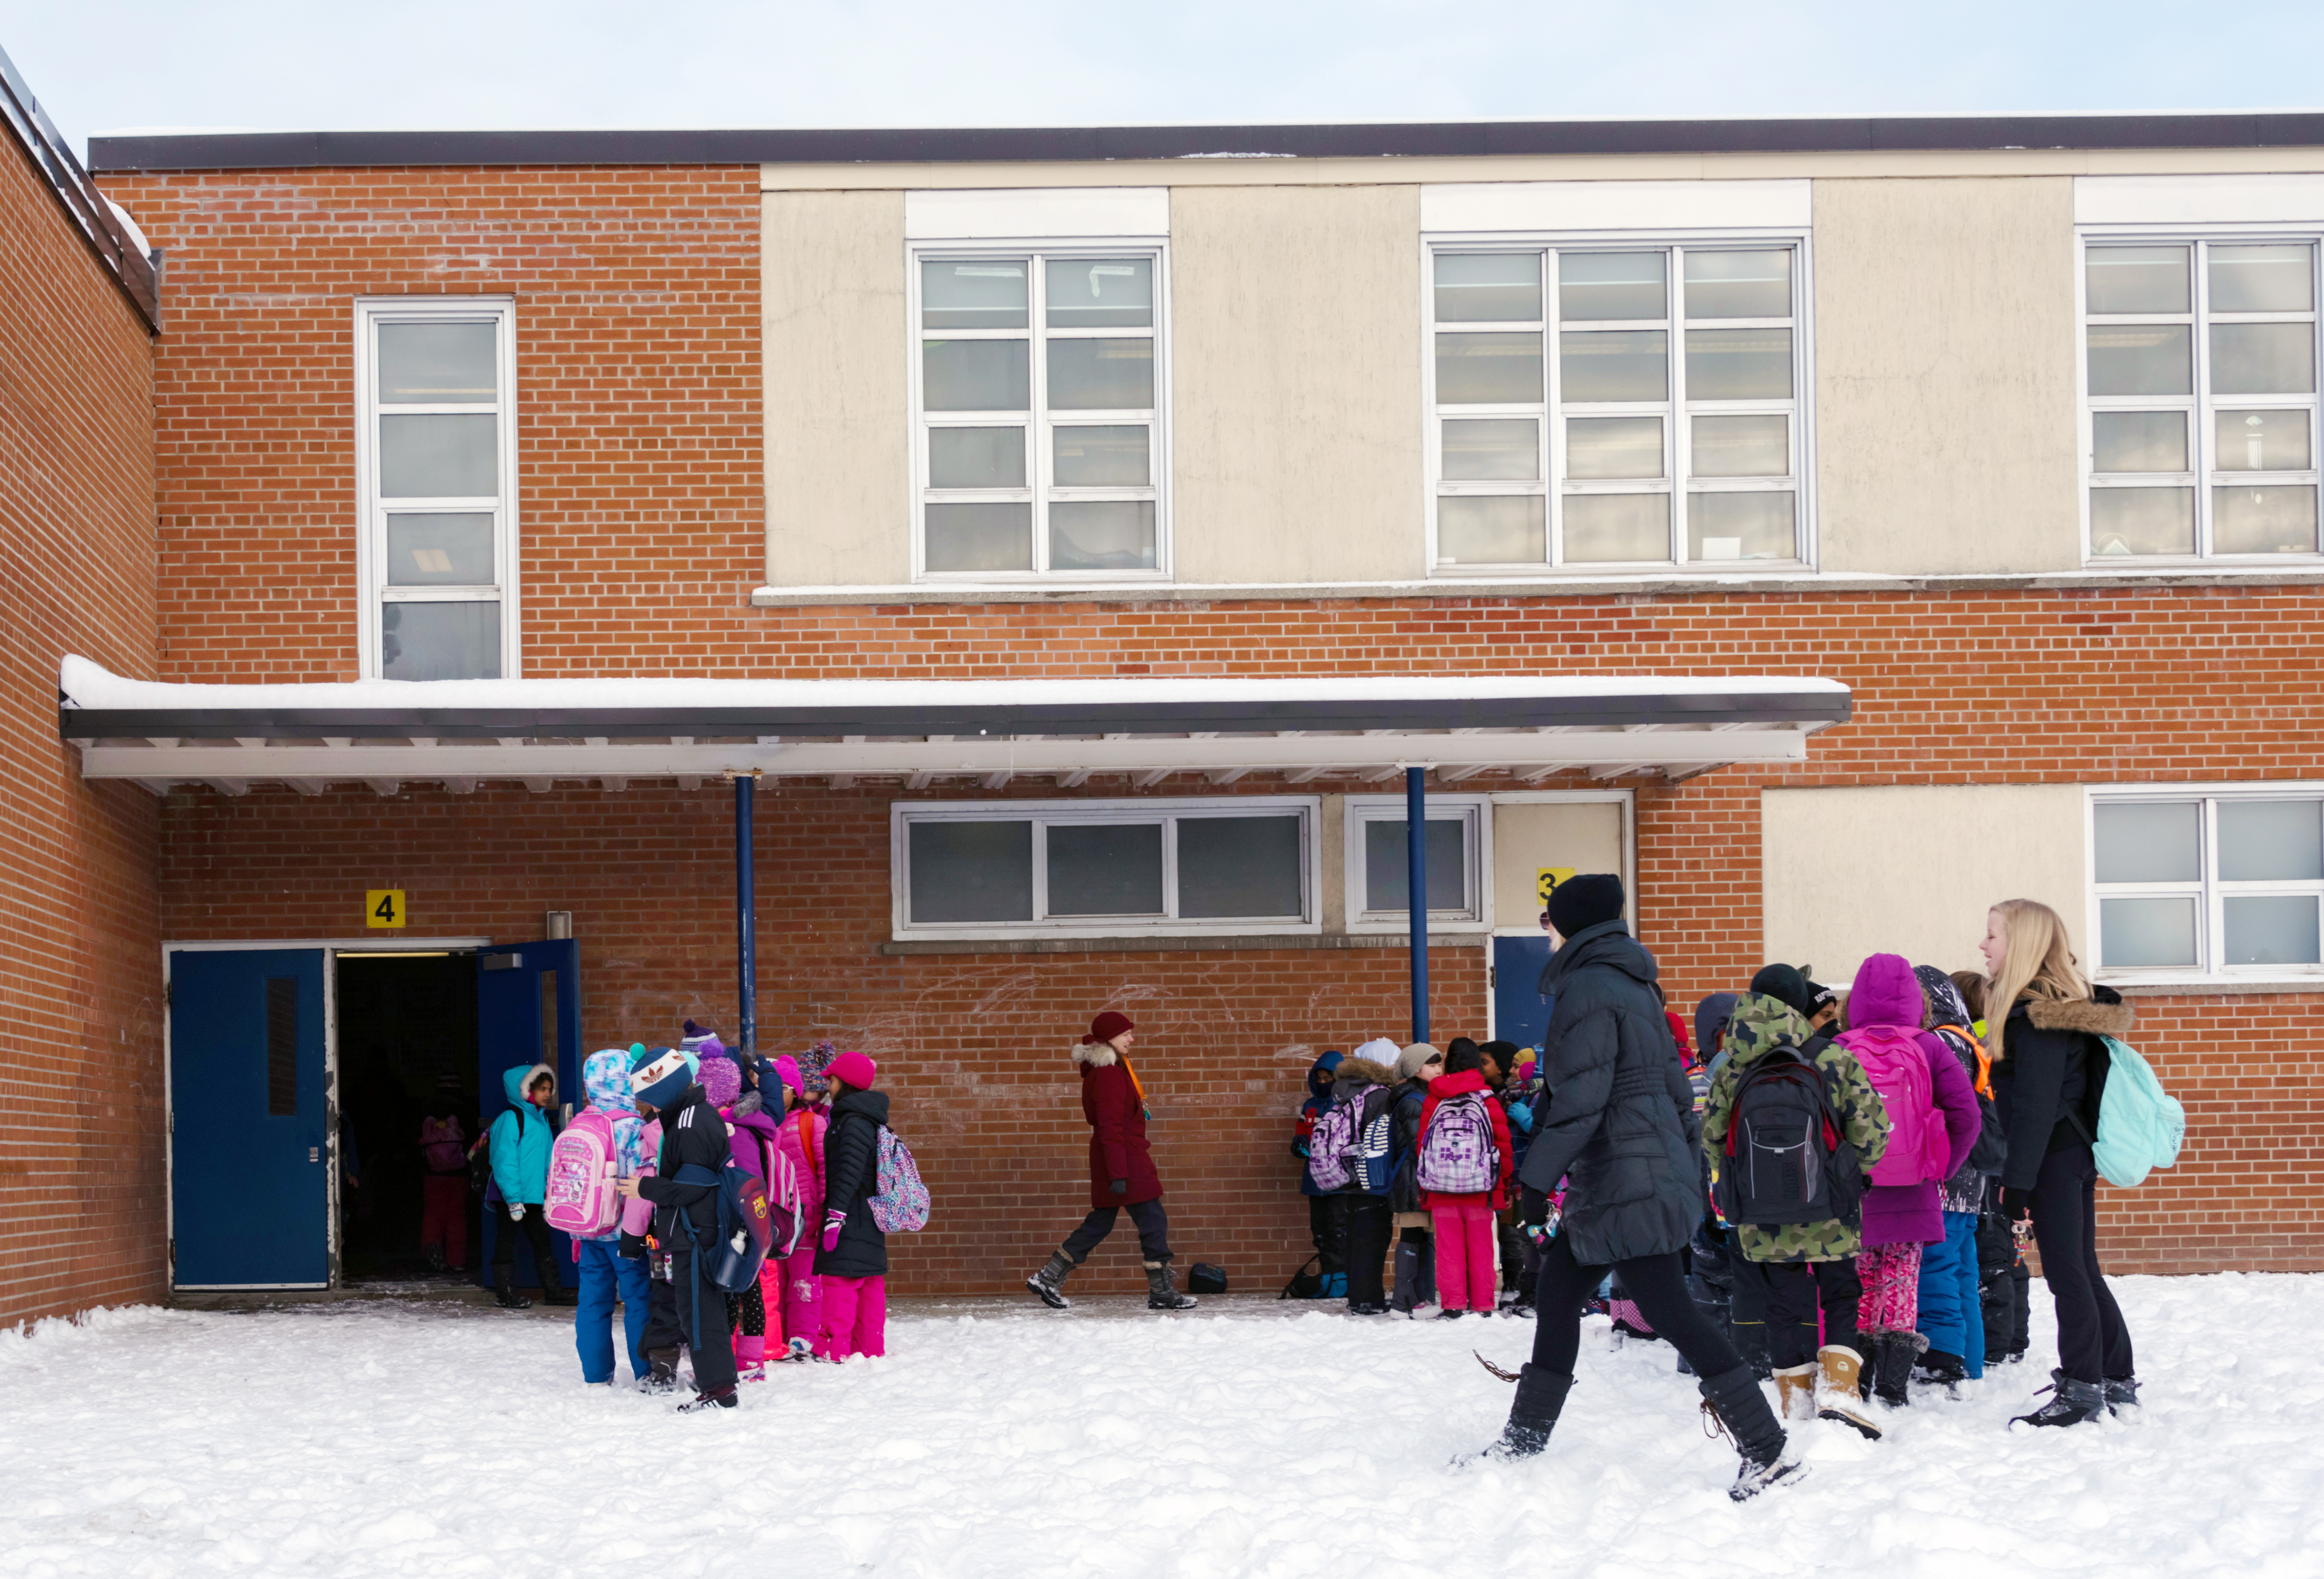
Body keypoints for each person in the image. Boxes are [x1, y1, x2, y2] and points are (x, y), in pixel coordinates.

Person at [1483, 874, 1802, 1501]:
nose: (1547, 934)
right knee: (1559, 1293)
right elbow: (1670, 1091)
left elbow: (1581, 1100)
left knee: (1669, 1308)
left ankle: (1767, 1448)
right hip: (1629, 1173)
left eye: (1550, 921)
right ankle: (1522, 1441)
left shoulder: (1589, 987)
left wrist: (1535, 1180)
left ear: (1571, 924)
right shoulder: (1634, 984)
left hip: (1626, 1176)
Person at [1702, 963, 1889, 1441]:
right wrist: (1848, 1173)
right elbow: (1872, 1133)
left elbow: (1712, 1139)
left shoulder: (1732, 1065)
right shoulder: (1831, 1057)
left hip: (1761, 1210)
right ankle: (1840, 1395)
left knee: (1780, 1300)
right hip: (1829, 1204)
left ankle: (1796, 1404)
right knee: (1840, 1293)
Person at [1982, 899, 2139, 1428]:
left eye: (1993, 935)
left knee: (2067, 1274)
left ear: (2021, 943)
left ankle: (2082, 1386)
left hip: (2053, 1157)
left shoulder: (2038, 1017)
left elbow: (2035, 1107)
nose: (1983, 945)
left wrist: (2016, 1185)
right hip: (2068, 1153)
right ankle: (2113, 1374)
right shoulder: (2052, 1010)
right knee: (2080, 1268)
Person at [1838, 954, 1981, 1407]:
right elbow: (1967, 1117)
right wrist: (1942, 1167)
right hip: (1915, 1187)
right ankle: (1893, 1386)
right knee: (1901, 1281)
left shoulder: (1837, 1048)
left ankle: (1859, 1381)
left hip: (1855, 1192)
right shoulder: (1930, 1046)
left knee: (1861, 1281)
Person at [1025, 1012, 1199, 1312]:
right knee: (1153, 1220)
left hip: (1119, 1157)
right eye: (1126, 1034)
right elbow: (1110, 1127)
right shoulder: (1109, 1075)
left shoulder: (1112, 1069)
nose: (1132, 1038)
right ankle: (1161, 1292)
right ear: (1110, 1039)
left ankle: (1047, 1277)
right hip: (1124, 1159)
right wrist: (1119, 1173)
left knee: (1101, 1223)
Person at [620, 1047, 740, 1411]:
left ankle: (719, 1390)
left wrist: (644, 1187)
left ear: (664, 1088)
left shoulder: (689, 1124)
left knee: (699, 1314)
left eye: (649, 1096)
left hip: (695, 1233)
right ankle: (720, 1386)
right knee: (701, 1312)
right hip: (696, 1230)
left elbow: (694, 1186)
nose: (649, 1105)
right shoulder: (692, 1115)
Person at [1912, 965, 2004, 1387]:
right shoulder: (1969, 1038)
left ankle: (1942, 1357)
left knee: (1936, 1268)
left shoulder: (1939, 1043)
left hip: (1946, 1176)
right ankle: (1971, 1360)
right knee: (1964, 1272)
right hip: (1971, 1179)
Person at [573, 1048, 654, 1387]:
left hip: (588, 1230)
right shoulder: (635, 1128)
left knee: (592, 1302)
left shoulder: (579, 1124)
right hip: (626, 1233)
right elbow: (644, 1182)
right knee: (638, 1301)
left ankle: (596, 1374)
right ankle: (645, 1372)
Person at [702, 1048, 782, 1380]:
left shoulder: (726, 1129)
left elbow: (737, 1179)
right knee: (749, 1290)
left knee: (727, 1290)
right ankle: (751, 1361)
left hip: (733, 1220)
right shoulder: (750, 1123)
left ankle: (731, 1361)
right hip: (754, 1217)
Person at [1416, 1044, 1513, 1319]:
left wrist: (1424, 1185)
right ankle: (1483, 1305)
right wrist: (1504, 1183)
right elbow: (1502, 1146)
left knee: (1449, 1250)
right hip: (1481, 1188)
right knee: (1482, 1248)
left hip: (1441, 1188)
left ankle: (1453, 1304)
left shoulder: (1434, 1098)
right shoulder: (1488, 1098)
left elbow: (1422, 1145)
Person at [815, 1050, 891, 1359]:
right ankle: (869, 1349)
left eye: (832, 1080)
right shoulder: (865, 1118)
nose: (829, 1087)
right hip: (866, 1216)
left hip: (850, 1215)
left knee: (841, 1281)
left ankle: (833, 1349)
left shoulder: (852, 1121)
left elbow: (849, 1171)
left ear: (845, 1083)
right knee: (869, 1281)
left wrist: (835, 1216)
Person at [1312, 1047, 1399, 1314]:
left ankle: (1359, 1297)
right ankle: (1367, 1300)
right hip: (1372, 1177)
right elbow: (1383, 1137)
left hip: (1349, 1173)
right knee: (1372, 1239)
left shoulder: (1349, 1090)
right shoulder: (1379, 1094)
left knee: (1357, 1239)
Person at [488, 1062, 569, 1309]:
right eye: (541, 1089)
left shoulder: (541, 1122)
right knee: (506, 1241)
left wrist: (547, 1193)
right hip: (509, 1196)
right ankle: (505, 1295)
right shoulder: (511, 1118)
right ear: (526, 1090)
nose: (547, 1094)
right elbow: (504, 1161)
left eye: (549, 1089)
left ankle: (554, 1293)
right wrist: (513, 1197)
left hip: (534, 1195)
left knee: (542, 1241)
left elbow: (547, 1162)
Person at [771, 1053, 828, 1359]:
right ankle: (777, 1337)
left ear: (795, 1091)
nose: (776, 1092)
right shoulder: (760, 1124)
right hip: (770, 1219)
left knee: (804, 1283)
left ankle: (803, 1338)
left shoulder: (811, 1123)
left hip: (805, 1218)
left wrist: (823, 1213)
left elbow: (825, 1170)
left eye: (783, 1087)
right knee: (775, 1283)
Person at [1387, 1042, 1443, 1315]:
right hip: (1412, 1180)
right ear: (1415, 1069)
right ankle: (1404, 1302)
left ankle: (1419, 1299)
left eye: (1439, 1064)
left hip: (1415, 1178)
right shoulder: (1414, 1101)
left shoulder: (1421, 1096)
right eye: (1431, 1065)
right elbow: (1419, 1144)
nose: (1439, 1069)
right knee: (1413, 1236)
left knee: (1420, 1236)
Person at [1292, 1049, 1348, 1300]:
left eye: (1329, 1079)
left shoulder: (1346, 1104)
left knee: (1340, 1231)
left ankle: (1343, 1282)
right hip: (1314, 1180)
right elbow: (1300, 1134)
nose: (1324, 1083)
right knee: (1320, 1232)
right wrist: (1298, 1145)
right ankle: (1329, 1280)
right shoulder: (1310, 1106)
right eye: (1320, 1079)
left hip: (1339, 1181)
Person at [417, 1072, 468, 1274]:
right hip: (459, 1174)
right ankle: (457, 1261)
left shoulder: (424, 1109)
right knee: (457, 1217)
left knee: (432, 1216)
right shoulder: (465, 1109)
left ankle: (432, 1257)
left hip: (432, 1174)